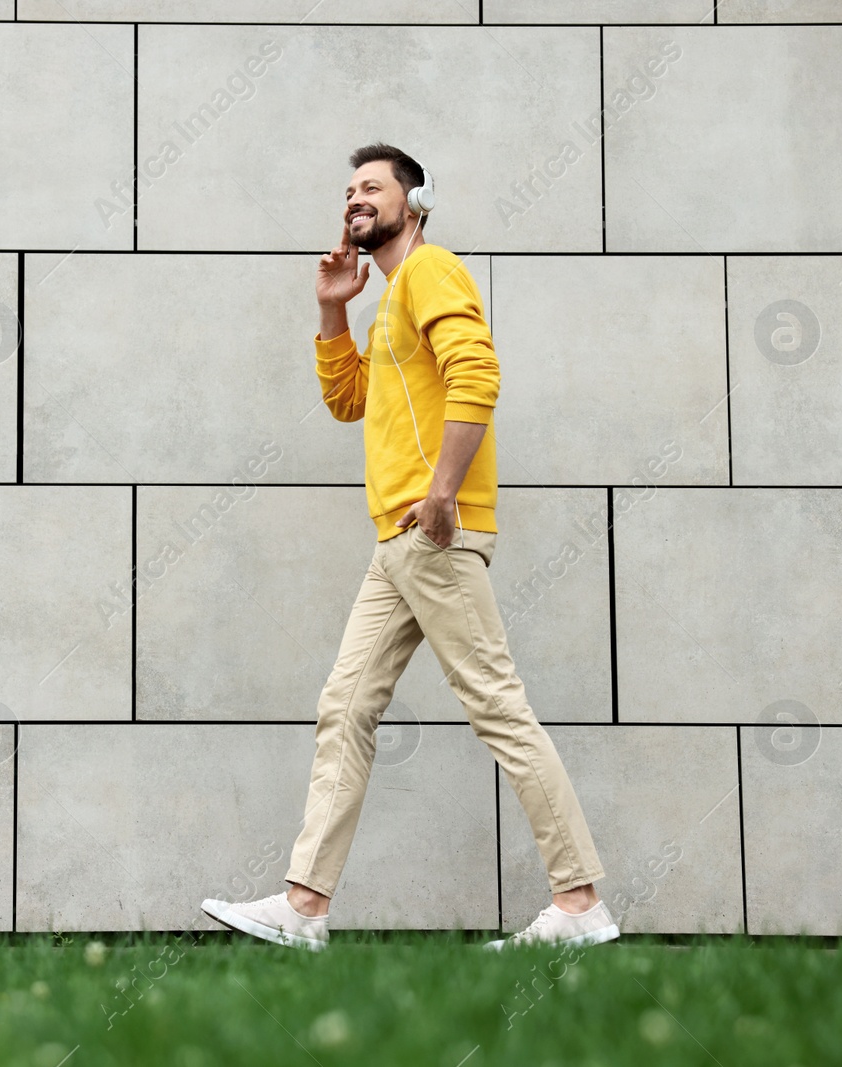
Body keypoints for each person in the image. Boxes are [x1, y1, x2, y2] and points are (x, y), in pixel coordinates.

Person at [201, 142, 618, 953]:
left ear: (416, 200)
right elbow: (349, 401)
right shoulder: (391, 299)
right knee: (346, 707)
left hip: (432, 532)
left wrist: (443, 494)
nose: (356, 199)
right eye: (349, 190)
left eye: (373, 188)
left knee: (498, 708)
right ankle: (304, 906)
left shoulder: (432, 271)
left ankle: (579, 902)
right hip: (398, 541)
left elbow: (479, 373)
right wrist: (332, 311)